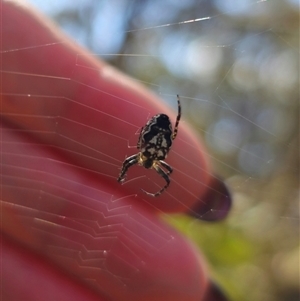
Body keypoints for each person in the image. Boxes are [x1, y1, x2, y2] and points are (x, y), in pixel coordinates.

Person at [1, 1, 231, 300]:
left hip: (158, 129)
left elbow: (158, 157)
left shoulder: (148, 156)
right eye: (146, 161)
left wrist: (151, 157)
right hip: (158, 130)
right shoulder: (148, 156)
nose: (147, 163)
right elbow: (151, 150)